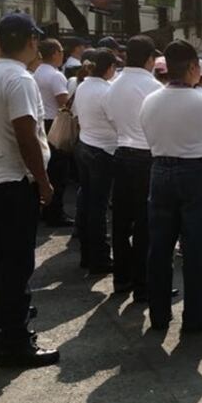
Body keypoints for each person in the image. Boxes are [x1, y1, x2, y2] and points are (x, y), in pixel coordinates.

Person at [0, 13, 59, 368]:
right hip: (13, 181)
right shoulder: (19, 78)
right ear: (30, 40)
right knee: (16, 266)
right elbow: (26, 134)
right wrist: (42, 181)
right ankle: (16, 343)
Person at [139, 40, 202, 333]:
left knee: (160, 248)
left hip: (159, 170)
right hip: (196, 173)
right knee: (196, 247)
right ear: (192, 68)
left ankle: (159, 315)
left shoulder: (150, 100)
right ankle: (195, 315)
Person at [105, 35, 162, 298]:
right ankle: (143, 284)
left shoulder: (113, 84)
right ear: (150, 59)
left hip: (121, 153)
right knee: (144, 224)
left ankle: (121, 278)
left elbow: (111, 118)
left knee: (120, 221)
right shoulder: (153, 87)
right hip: (146, 157)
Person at [73, 48, 118, 276]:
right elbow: (116, 120)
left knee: (87, 201)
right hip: (103, 150)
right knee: (98, 208)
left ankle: (86, 254)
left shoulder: (82, 85)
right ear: (109, 68)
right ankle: (99, 258)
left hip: (85, 145)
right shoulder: (107, 91)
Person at [32, 38, 73, 227]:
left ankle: (44, 209)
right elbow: (63, 102)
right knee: (58, 172)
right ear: (55, 53)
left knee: (46, 168)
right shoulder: (55, 76)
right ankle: (55, 213)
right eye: (61, 51)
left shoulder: (35, 72)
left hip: (41, 123)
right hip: (55, 124)